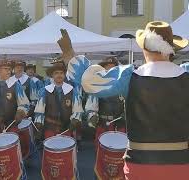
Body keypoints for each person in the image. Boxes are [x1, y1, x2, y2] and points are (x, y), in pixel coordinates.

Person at [58, 21, 189, 179]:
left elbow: (89, 80)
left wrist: (69, 53)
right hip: (182, 163)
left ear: (144, 48)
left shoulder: (129, 76)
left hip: (140, 163)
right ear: (172, 49)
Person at [0, 60, 30, 138]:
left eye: (10, 69)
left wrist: (20, 112)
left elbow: (24, 104)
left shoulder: (16, 85)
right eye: (6, 69)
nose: (9, 71)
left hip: (11, 124)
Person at [34, 61, 83, 139]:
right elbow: (40, 111)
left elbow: (77, 110)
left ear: (64, 75)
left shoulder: (73, 91)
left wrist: (74, 120)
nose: (59, 75)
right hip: (50, 128)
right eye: (56, 73)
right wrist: (39, 124)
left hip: (67, 128)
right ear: (52, 75)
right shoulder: (44, 91)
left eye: (61, 73)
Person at [85, 57, 126, 148]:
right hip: (103, 125)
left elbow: (130, 104)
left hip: (119, 125)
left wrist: (126, 113)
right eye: (107, 67)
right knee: (101, 153)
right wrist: (92, 116)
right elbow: (91, 107)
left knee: (119, 154)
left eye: (113, 68)